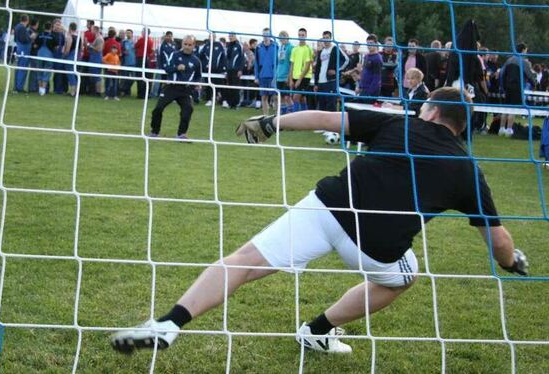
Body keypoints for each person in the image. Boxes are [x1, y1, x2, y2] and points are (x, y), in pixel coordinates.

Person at [111, 86, 529, 355]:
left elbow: (326, 119)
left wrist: (271, 121)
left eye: (423, 107)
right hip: (373, 247)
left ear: (433, 113)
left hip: (325, 206)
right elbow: (497, 240)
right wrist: (512, 264)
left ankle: (169, 323)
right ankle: (316, 330)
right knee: (405, 277)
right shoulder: (468, 169)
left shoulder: (399, 123)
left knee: (245, 259)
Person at [148, 35, 201, 139]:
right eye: (185, 44)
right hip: (171, 86)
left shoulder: (196, 60)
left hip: (185, 89)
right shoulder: (175, 55)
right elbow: (166, 68)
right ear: (182, 44)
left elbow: (198, 76)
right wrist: (177, 68)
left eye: (190, 45)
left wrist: (197, 84)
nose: (187, 47)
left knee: (188, 109)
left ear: (194, 45)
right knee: (158, 108)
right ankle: (155, 132)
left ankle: (181, 134)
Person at [499, 42, 536, 137]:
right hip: (517, 87)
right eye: (526, 51)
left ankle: (501, 129)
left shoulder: (509, 60)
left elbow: (502, 74)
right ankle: (509, 130)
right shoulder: (524, 62)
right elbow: (529, 75)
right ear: (523, 50)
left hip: (507, 87)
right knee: (513, 109)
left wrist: (502, 87)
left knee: (505, 108)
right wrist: (534, 85)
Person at [314, 31, 349, 111]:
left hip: (330, 81)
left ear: (331, 38)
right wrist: (316, 83)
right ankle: (322, 123)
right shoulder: (321, 51)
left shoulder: (335, 48)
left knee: (331, 105)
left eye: (327, 38)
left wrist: (337, 70)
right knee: (321, 105)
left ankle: (332, 123)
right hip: (321, 82)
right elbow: (318, 68)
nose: (326, 40)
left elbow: (346, 60)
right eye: (324, 38)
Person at [288, 28, 313, 112]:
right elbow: (292, 65)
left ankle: (295, 118)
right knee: (302, 98)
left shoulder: (308, 49)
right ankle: (305, 116)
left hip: (305, 77)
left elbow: (307, 65)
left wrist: (299, 79)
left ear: (306, 36)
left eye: (303, 35)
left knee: (295, 97)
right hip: (295, 76)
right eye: (299, 35)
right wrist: (291, 79)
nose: (301, 37)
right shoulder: (294, 49)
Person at [254, 28, 278, 115]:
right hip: (263, 75)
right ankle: (265, 116)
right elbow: (256, 63)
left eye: (267, 34)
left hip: (273, 76)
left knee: (275, 97)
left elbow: (278, 62)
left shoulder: (276, 46)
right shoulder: (258, 47)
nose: (265, 36)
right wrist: (256, 76)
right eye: (264, 34)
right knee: (264, 97)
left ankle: (276, 115)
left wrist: (277, 74)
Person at [199, 32, 226, 107]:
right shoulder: (206, 46)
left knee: (220, 85)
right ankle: (209, 100)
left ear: (215, 37)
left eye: (213, 36)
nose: (211, 38)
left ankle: (224, 100)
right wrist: (204, 65)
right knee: (209, 85)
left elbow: (223, 57)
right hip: (208, 70)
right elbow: (201, 56)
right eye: (210, 36)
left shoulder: (219, 45)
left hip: (218, 70)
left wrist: (223, 68)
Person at [33, 22, 56, 96]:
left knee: (39, 71)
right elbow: (56, 47)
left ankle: (40, 89)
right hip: (49, 55)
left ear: (44, 27)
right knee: (47, 72)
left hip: (40, 54)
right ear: (51, 28)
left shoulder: (39, 35)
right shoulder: (53, 36)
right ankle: (43, 90)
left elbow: (35, 45)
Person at [357, 34, 383, 101]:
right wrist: (360, 86)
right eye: (368, 43)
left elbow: (377, 77)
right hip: (364, 88)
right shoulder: (366, 56)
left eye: (371, 43)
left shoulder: (377, 58)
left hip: (371, 90)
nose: (369, 45)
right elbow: (363, 72)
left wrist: (370, 92)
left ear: (376, 44)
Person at [223, 32, 244, 109]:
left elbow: (242, 58)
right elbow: (226, 59)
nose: (230, 37)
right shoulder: (228, 46)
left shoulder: (239, 46)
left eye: (232, 36)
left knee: (235, 87)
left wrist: (240, 69)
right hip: (229, 70)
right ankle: (230, 104)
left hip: (236, 70)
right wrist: (225, 70)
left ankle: (236, 104)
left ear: (235, 37)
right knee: (229, 87)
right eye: (229, 36)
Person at [276, 30, 294, 114]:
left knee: (287, 97)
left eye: (283, 37)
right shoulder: (280, 47)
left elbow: (291, 63)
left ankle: (291, 112)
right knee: (281, 97)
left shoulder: (291, 47)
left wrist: (289, 77)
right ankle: (282, 114)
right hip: (279, 75)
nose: (282, 40)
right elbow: (278, 61)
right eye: (280, 38)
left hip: (286, 75)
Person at [13, 15, 31, 93]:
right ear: (27, 20)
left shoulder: (17, 27)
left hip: (19, 49)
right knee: (22, 68)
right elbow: (25, 39)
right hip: (24, 50)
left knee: (18, 68)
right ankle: (19, 87)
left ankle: (16, 86)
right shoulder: (23, 28)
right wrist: (31, 38)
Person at [63, 22, 82, 97]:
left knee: (70, 74)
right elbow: (81, 48)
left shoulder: (70, 37)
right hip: (77, 57)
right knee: (75, 74)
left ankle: (72, 92)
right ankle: (76, 91)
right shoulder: (79, 37)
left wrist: (64, 55)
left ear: (70, 28)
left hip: (70, 57)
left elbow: (67, 49)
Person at [156, 31, 176, 99]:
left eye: (170, 36)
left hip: (172, 66)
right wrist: (160, 66)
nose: (169, 37)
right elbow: (159, 56)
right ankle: (161, 93)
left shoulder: (174, 44)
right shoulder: (162, 45)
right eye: (168, 36)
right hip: (164, 66)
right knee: (163, 80)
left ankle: (170, 94)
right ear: (165, 36)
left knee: (171, 81)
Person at [134, 27, 154, 98]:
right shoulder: (150, 40)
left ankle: (140, 94)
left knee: (139, 76)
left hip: (140, 58)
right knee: (147, 76)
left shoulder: (142, 39)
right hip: (147, 59)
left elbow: (135, 46)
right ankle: (146, 93)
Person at [86, 25, 103, 97]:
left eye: (92, 30)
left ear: (95, 30)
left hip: (96, 59)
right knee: (94, 75)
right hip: (94, 58)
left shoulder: (99, 39)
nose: (91, 31)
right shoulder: (97, 38)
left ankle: (98, 92)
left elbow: (98, 49)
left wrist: (89, 45)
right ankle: (95, 91)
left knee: (96, 76)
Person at [120, 29, 135, 96]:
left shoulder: (135, 43)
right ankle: (126, 92)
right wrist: (123, 53)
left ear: (132, 34)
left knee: (133, 78)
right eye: (127, 33)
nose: (128, 34)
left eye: (129, 33)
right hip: (126, 63)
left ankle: (124, 89)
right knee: (125, 78)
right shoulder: (124, 42)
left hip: (133, 63)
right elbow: (120, 51)